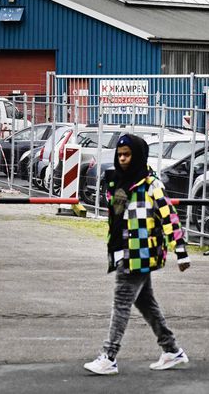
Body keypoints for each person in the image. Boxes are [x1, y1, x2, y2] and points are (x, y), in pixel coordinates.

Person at [83, 133, 190, 375]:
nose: (122, 159)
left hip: (139, 254)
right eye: (119, 154)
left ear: (138, 156)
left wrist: (181, 251)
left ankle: (109, 356)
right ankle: (171, 349)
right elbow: (118, 218)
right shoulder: (117, 182)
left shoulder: (151, 186)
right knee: (145, 302)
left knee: (121, 302)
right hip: (123, 251)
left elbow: (169, 217)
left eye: (127, 154)